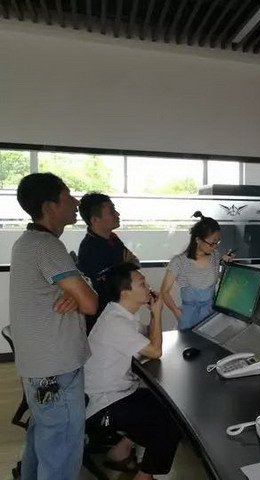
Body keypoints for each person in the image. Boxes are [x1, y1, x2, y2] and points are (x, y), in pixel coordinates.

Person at [10, 173, 98, 479]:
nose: (75, 201)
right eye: (68, 196)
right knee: (61, 455)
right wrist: (81, 291)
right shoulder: (47, 246)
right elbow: (90, 303)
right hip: (57, 371)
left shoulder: (27, 242)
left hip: (39, 368)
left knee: (43, 440)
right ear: (50, 206)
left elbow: (80, 292)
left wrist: (77, 289)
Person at [84, 263, 181, 480]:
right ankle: (144, 477)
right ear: (125, 292)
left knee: (167, 403)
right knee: (170, 424)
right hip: (104, 403)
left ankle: (119, 452)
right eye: (142, 283)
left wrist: (153, 317)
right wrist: (157, 313)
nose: (148, 286)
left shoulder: (119, 314)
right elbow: (155, 350)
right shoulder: (115, 323)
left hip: (116, 392)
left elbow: (146, 338)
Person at [160, 211, 235, 330]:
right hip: (189, 316)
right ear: (198, 240)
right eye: (212, 243)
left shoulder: (215, 255)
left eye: (217, 242)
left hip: (211, 314)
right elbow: (164, 291)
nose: (215, 246)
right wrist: (176, 312)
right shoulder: (179, 261)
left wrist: (227, 263)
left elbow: (218, 277)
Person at [77, 192, 139, 333]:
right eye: (111, 211)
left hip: (119, 312)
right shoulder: (90, 249)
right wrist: (125, 267)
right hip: (102, 320)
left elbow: (134, 263)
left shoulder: (113, 239)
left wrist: (124, 268)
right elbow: (106, 285)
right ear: (95, 220)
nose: (117, 214)